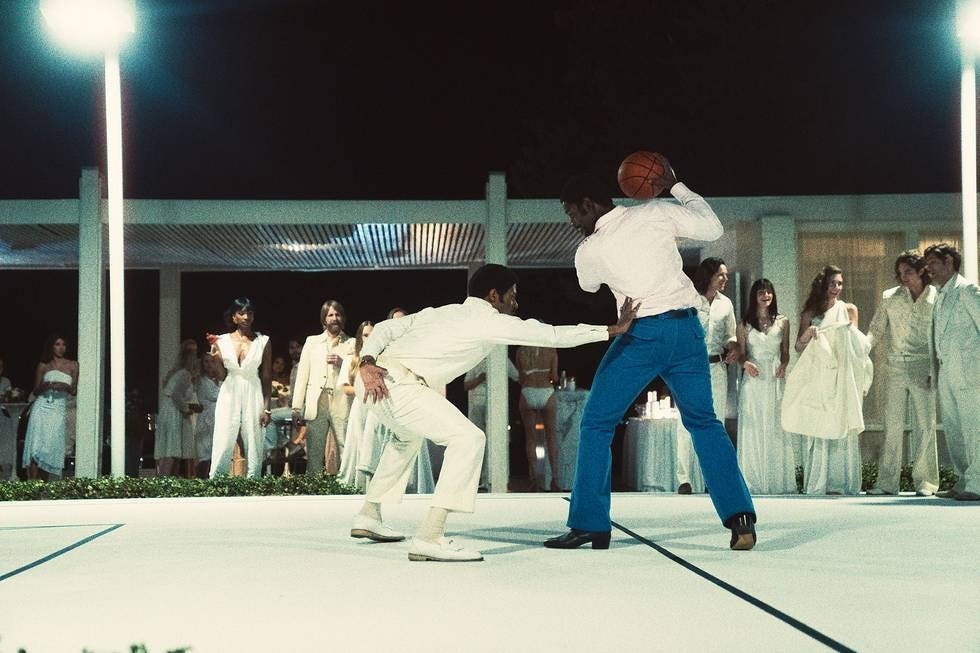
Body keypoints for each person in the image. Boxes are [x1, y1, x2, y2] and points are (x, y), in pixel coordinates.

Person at [353, 263, 637, 562]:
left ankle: (369, 515)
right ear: (493, 296)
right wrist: (610, 330)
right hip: (399, 385)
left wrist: (366, 362)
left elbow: (384, 328)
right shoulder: (489, 320)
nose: (516, 303)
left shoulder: (443, 312)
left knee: (405, 439)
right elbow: (551, 335)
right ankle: (430, 536)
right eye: (512, 296)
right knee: (469, 439)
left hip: (376, 381)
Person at [546, 161, 756, 552]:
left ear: (589, 205)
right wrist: (675, 186)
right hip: (688, 331)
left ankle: (591, 524)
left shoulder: (590, 249)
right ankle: (740, 518)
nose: (572, 220)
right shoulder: (655, 212)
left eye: (571, 210)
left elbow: (587, 285)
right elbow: (713, 228)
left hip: (642, 334)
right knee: (704, 423)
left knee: (596, 423)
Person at [786, 265, 868, 496]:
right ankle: (819, 481)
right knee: (820, 424)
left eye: (840, 283)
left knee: (841, 422)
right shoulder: (810, 313)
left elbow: (857, 347)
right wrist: (808, 333)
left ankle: (842, 482)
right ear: (823, 285)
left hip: (841, 375)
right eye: (833, 283)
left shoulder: (849, 310)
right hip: (819, 375)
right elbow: (798, 347)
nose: (837, 288)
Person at [865, 250, 939, 497]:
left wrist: (935, 368)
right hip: (895, 366)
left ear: (920, 270)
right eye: (900, 273)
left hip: (923, 366)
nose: (903, 277)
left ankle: (926, 482)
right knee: (892, 425)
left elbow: (939, 336)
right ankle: (887, 483)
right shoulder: (890, 297)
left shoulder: (935, 297)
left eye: (908, 271)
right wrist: (861, 350)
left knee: (925, 425)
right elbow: (876, 329)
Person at [924, 243, 980, 501]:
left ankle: (978, 483)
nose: (928, 269)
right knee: (954, 429)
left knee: (974, 428)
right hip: (947, 371)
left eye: (933, 263)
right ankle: (964, 478)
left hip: (970, 372)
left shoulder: (967, 290)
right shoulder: (939, 295)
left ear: (949, 263)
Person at [678, 257, 738, 494]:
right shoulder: (689, 301)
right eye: (721, 275)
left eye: (726, 275)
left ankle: (711, 478)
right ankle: (684, 478)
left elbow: (730, 335)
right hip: (690, 368)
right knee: (685, 424)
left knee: (716, 424)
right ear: (709, 276)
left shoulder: (726, 304)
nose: (725, 279)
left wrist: (733, 347)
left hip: (716, 367)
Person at [735, 279, 797, 494]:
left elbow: (786, 351)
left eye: (769, 292)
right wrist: (745, 364)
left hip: (774, 376)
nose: (766, 296)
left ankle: (776, 481)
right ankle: (753, 480)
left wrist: (785, 364)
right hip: (753, 379)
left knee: (775, 426)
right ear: (754, 296)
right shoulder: (744, 324)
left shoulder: (783, 321)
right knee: (753, 427)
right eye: (761, 292)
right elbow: (741, 354)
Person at [208, 298, 272, 479]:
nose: (246, 317)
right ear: (234, 317)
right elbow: (221, 375)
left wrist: (267, 407)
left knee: (254, 436)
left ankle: (254, 480)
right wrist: (215, 358)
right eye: (241, 313)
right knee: (224, 434)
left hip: (253, 387)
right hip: (230, 389)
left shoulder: (263, 341)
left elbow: (267, 376)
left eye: (249, 313)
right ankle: (216, 481)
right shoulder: (222, 340)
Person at [291, 300, 355, 475]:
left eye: (338, 314)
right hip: (317, 403)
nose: (334, 318)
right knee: (314, 453)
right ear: (324, 319)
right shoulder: (312, 342)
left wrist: (344, 363)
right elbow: (302, 375)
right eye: (330, 315)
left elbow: (357, 375)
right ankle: (313, 491)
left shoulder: (352, 343)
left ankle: (347, 489)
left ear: (343, 318)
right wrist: (296, 408)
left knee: (345, 449)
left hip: (341, 402)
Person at [22, 334, 78, 480]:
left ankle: (44, 483)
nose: (61, 348)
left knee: (49, 446)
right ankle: (33, 483)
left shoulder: (73, 365)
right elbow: (36, 390)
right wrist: (46, 386)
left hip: (58, 408)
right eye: (57, 344)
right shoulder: (44, 365)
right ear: (51, 346)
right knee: (36, 445)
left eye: (63, 345)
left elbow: (74, 390)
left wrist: (64, 385)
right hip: (42, 406)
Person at [463, 354, 519, 491]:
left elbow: (517, 377)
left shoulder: (502, 359)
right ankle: (476, 479)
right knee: (478, 441)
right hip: (478, 404)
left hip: (496, 406)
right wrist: (480, 378)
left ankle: (494, 478)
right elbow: (466, 385)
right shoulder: (476, 357)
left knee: (495, 441)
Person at [515, 345, 560, 491]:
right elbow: (554, 377)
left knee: (531, 438)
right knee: (551, 437)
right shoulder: (551, 350)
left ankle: (534, 478)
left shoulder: (521, 351)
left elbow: (520, 377)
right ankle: (555, 479)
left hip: (528, 391)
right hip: (546, 390)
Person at [337, 320, 374, 489]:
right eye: (365, 335)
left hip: (376, 407)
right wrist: (363, 389)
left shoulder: (380, 359)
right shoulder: (351, 360)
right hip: (360, 406)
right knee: (358, 441)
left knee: (373, 443)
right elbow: (345, 388)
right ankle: (359, 484)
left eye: (372, 334)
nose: (369, 338)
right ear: (360, 337)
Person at [154, 345, 200, 477]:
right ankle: (165, 479)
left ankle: (168, 478)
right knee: (171, 448)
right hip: (173, 412)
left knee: (172, 449)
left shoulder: (179, 373)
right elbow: (176, 394)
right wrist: (186, 409)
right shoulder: (184, 374)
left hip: (169, 409)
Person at [195, 352, 222, 478]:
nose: (210, 364)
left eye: (212, 361)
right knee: (205, 456)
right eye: (206, 361)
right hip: (206, 421)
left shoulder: (221, 381)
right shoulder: (201, 381)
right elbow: (216, 396)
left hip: (219, 421)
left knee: (216, 455)